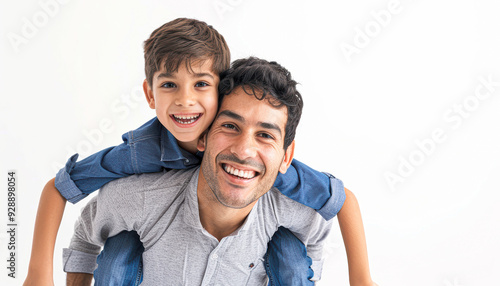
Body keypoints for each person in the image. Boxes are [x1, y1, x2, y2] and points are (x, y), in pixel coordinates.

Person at [24, 18, 375, 286]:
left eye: (201, 84)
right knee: (120, 247)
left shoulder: (275, 174)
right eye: (169, 85)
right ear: (150, 94)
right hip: (149, 237)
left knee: (289, 249)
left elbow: (343, 202)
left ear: (219, 93)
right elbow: (61, 189)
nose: (185, 100)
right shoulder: (139, 156)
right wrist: (38, 274)